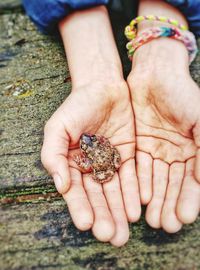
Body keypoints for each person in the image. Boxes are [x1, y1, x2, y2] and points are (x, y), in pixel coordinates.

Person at [23, 0, 200, 247]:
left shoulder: (93, 145)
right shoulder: (97, 142)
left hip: (106, 157)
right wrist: (94, 71)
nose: (85, 140)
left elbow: (89, 161)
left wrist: (162, 58)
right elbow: (95, 156)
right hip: (107, 157)